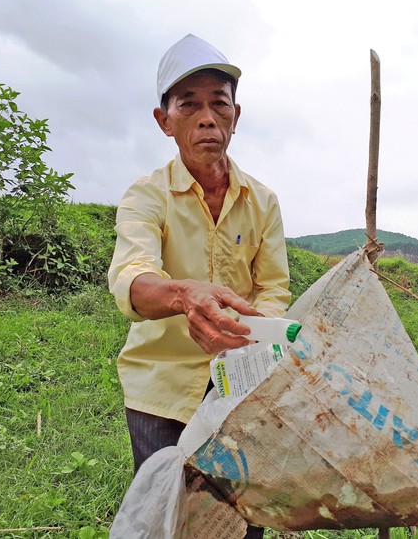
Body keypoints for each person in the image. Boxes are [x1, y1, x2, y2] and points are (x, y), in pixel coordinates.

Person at [108, 34, 291, 538]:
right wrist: (184, 295)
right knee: (173, 517)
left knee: (243, 514)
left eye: (219, 104)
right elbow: (131, 276)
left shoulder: (263, 202)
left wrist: (248, 328)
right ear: (164, 121)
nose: (206, 118)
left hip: (241, 385)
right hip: (160, 389)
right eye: (188, 105)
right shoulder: (145, 197)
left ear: (236, 115)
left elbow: (274, 287)